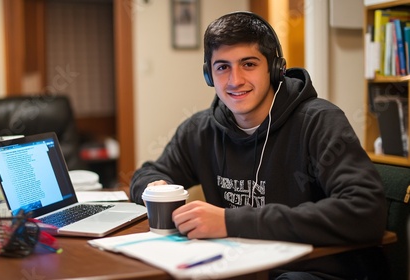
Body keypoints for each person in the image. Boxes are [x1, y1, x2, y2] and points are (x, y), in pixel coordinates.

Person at [129, 11, 388, 280]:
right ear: (209, 75)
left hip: (318, 271)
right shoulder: (201, 129)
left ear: (275, 68)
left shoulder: (319, 121)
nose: (235, 80)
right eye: (222, 67)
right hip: (244, 269)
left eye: (248, 64)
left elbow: (365, 210)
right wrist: (154, 187)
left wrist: (230, 222)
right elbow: (147, 174)